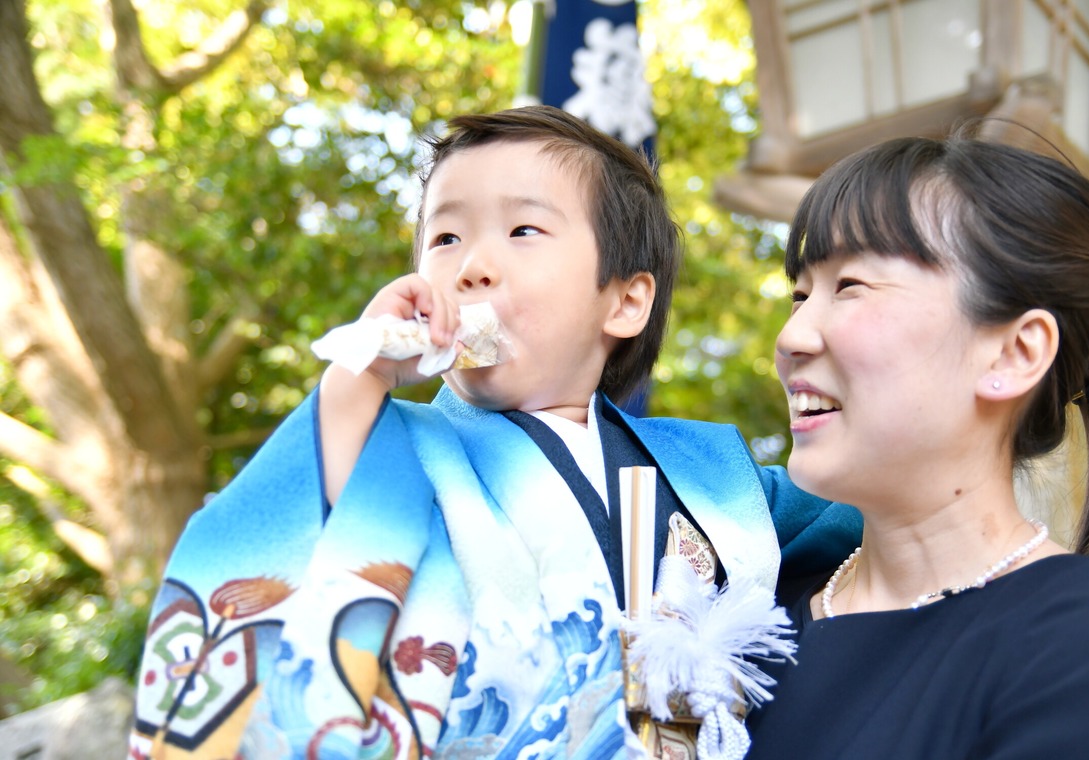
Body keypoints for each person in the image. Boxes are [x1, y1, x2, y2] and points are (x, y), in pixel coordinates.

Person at [129, 105, 859, 760]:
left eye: (522, 230)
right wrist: (361, 376)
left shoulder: (709, 472)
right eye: (445, 237)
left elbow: (874, 511)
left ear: (626, 302)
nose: (472, 267)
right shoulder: (400, 446)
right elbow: (294, 530)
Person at [745, 132, 1089, 759]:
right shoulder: (752, 615)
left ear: (1014, 353)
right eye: (800, 294)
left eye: (850, 286)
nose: (791, 337)